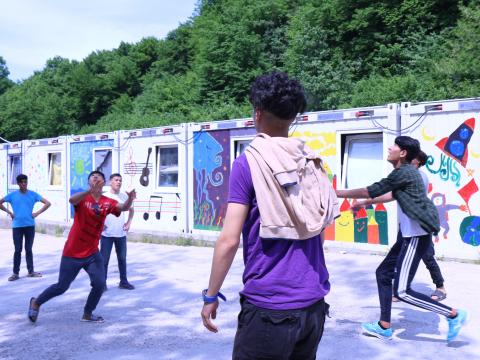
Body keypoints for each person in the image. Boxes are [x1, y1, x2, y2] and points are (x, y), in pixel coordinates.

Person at [201, 72, 339, 359]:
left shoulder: (248, 162)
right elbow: (318, 231)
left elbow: (228, 240)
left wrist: (211, 295)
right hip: (313, 306)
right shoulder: (309, 160)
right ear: (292, 116)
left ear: (258, 113)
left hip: (269, 308)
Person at [336, 136, 467, 342]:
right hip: (407, 235)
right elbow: (390, 195)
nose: (389, 148)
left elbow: (370, 189)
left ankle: (454, 314)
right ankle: (384, 326)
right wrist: (363, 203)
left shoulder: (407, 172)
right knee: (383, 273)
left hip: (415, 236)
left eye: (394, 146)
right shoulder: (404, 174)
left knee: (404, 291)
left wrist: (335, 192)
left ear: (404, 153)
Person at [27, 171, 136, 323]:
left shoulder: (107, 202)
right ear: (89, 182)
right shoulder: (83, 198)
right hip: (72, 251)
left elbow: (124, 207)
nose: (96, 179)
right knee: (62, 287)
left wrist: (130, 198)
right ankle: (36, 302)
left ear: (104, 182)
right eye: (93, 177)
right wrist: (89, 192)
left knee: (99, 284)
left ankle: (87, 313)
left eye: (99, 177)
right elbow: (72, 200)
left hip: (92, 253)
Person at [353, 150, 448, 302]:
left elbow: (390, 195)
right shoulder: (406, 176)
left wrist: (365, 201)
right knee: (399, 257)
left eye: (411, 159)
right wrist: (365, 202)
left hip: (420, 228)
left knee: (428, 256)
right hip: (406, 227)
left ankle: (440, 286)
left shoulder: (420, 176)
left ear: (417, 162)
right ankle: (400, 289)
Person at [0, 174, 51, 281]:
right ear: (18, 183)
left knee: (28, 249)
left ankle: (31, 271)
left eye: (25, 182)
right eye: (22, 182)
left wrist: (37, 213)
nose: (24, 184)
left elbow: (47, 203)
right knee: (17, 250)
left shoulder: (33, 194)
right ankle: (15, 273)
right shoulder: (12, 195)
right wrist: (9, 212)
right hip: (17, 226)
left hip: (30, 226)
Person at [100, 173, 135, 290]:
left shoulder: (124, 196)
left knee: (122, 259)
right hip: (106, 235)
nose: (119, 182)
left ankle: (123, 282)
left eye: (120, 180)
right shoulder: (104, 196)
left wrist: (129, 222)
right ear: (110, 182)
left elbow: (131, 209)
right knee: (104, 260)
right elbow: (95, 213)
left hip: (120, 233)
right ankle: (102, 284)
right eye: (116, 180)